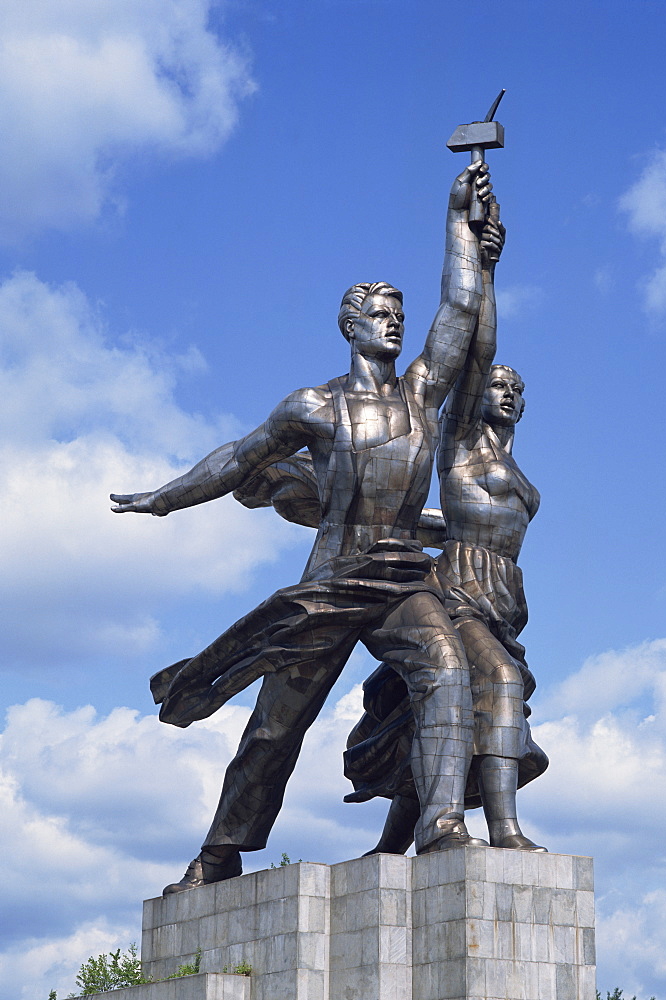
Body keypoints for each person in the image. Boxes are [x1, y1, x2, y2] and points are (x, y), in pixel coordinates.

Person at [110, 162, 503, 892]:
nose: (395, 320)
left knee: (445, 670)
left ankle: (442, 827)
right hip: (328, 585)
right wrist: (165, 498)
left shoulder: (421, 394)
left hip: (394, 580)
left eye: (398, 312)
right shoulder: (315, 407)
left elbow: (457, 311)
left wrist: (459, 224)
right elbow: (239, 456)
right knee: (272, 731)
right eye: (381, 312)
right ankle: (218, 855)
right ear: (350, 325)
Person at [343, 201, 549, 853]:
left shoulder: (518, 471)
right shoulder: (462, 445)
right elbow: (476, 346)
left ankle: (393, 845)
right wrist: (486, 269)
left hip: (502, 600)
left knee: (439, 709)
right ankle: (504, 829)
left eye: (518, 386)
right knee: (499, 684)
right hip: (459, 590)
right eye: (498, 385)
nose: (507, 391)